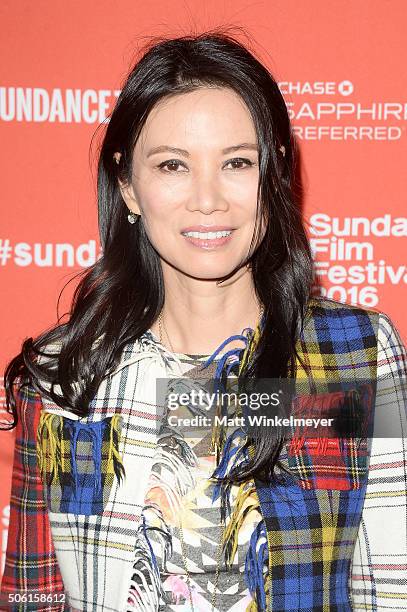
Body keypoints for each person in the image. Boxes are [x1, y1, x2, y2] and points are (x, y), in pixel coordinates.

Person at [1, 30, 406, 612]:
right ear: (128, 187)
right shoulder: (64, 376)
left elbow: (393, 587)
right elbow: (32, 598)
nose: (208, 199)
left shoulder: (354, 356)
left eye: (237, 162)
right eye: (172, 165)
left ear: (275, 175)